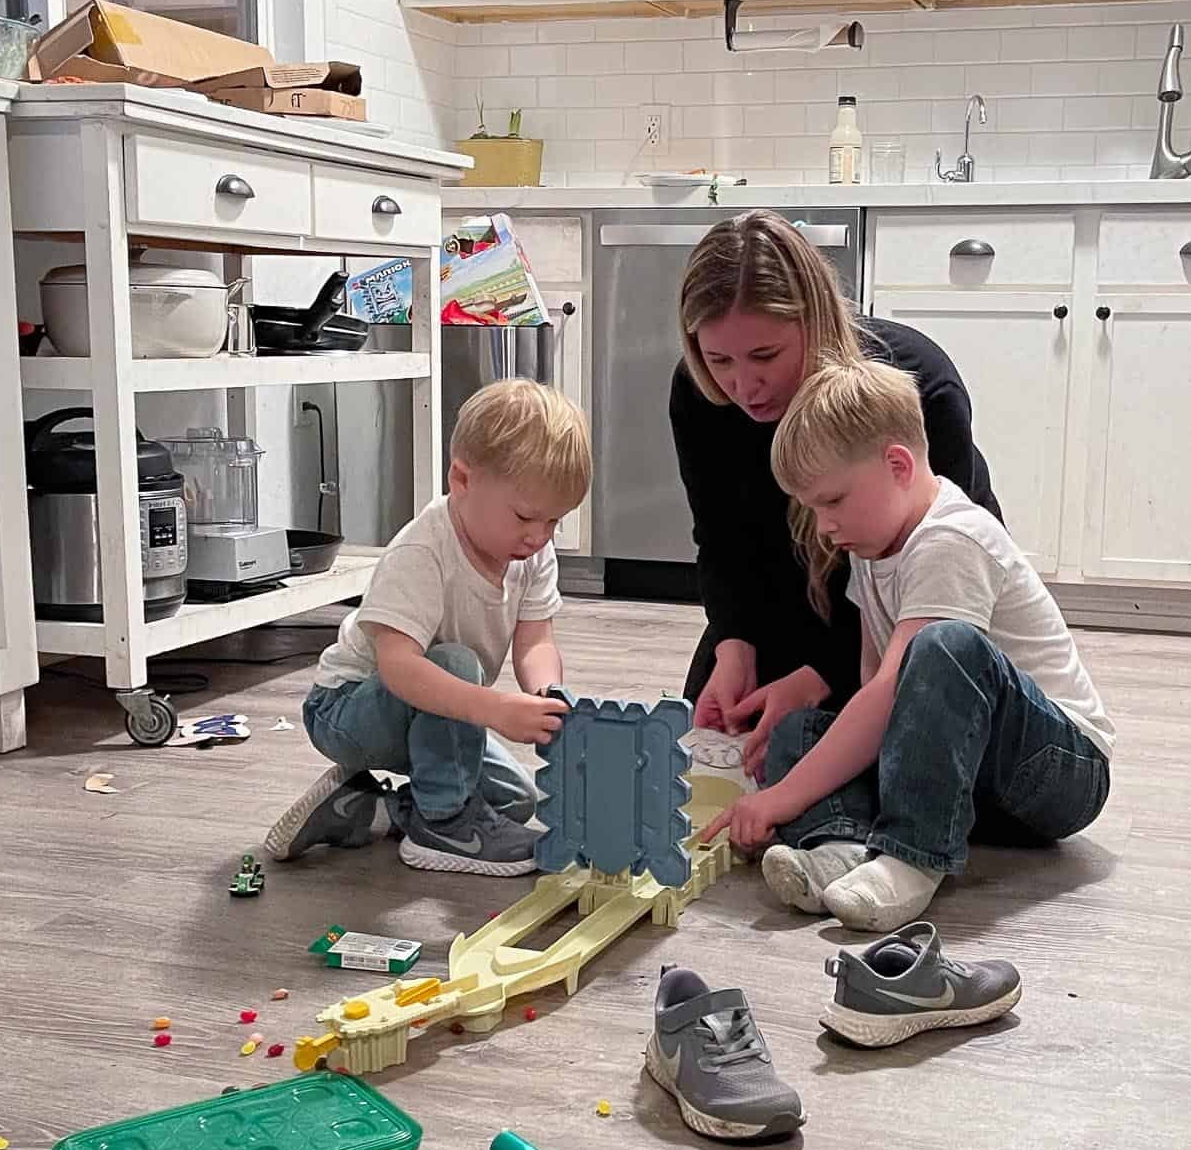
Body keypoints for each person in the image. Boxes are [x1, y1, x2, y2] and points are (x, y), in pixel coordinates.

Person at [703, 360, 1112, 934]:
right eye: (813, 508)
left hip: (1058, 773)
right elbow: (874, 698)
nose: (823, 526)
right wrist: (792, 778)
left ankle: (910, 857)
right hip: (968, 779)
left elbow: (891, 692)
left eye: (833, 501)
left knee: (946, 645)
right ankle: (839, 848)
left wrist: (784, 797)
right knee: (800, 730)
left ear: (897, 465)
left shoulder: (951, 538)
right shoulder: (872, 551)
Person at [671, 210, 1000, 773]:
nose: (743, 385)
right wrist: (733, 644)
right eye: (718, 360)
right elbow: (721, 541)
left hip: (906, 615)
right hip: (788, 598)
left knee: (856, 759)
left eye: (766, 356)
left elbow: (930, 585)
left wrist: (820, 675)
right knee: (717, 747)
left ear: (816, 321)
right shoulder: (698, 395)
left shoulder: (916, 381)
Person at [264, 379, 589, 878]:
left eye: (554, 522)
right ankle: (442, 827)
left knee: (515, 800)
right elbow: (400, 669)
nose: (540, 536)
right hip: (347, 711)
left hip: (435, 711)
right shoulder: (423, 551)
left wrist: (546, 695)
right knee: (457, 663)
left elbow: (535, 640)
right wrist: (496, 709)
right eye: (526, 516)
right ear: (462, 479)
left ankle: (366, 807)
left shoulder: (530, 554)